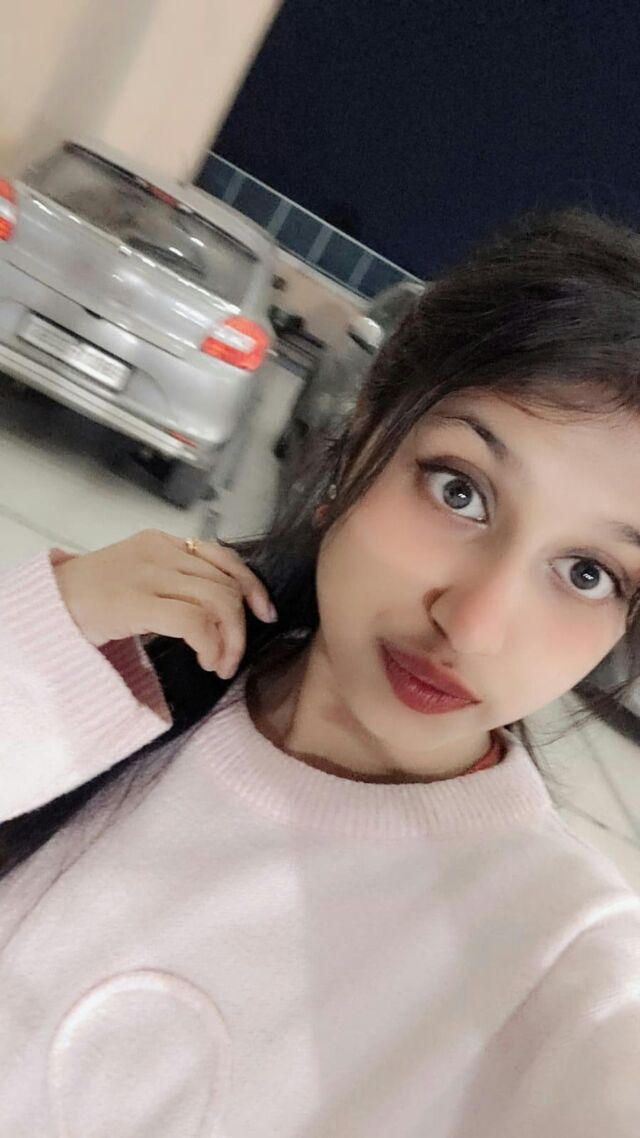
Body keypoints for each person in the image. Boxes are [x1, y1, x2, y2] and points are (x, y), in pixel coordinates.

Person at [1, 207, 640, 1137]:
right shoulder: (130, 665)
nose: (473, 624)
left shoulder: (559, 958)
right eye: (460, 490)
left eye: (588, 573)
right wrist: (36, 640)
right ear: (359, 444)